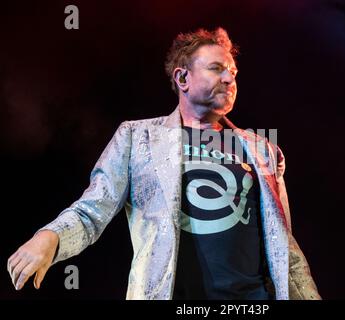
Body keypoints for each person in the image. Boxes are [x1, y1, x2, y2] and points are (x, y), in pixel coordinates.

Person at [6, 27, 321, 300]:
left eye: (233, 73)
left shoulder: (262, 149)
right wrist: (50, 237)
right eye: (217, 68)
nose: (229, 78)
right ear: (183, 77)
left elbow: (285, 248)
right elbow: (93, 210)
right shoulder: (137, 136)